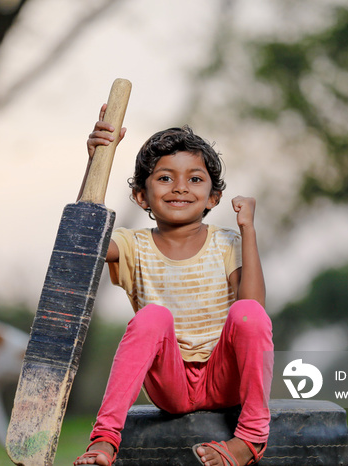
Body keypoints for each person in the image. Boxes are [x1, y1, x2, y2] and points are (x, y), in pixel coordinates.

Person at [73, 105, 274, 466]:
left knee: (246, 314)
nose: (180, 187)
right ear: (141, 196)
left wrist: (248, 230)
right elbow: (83, 244)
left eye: (195, 179)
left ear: (213, 197)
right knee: (152, 317)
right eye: (165, 178)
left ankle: (251, 439)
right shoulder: (131, 245)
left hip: (222, 377)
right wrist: (97, 161)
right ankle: (104, 440)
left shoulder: (226, 242)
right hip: (172, 383)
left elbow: (255, 309)